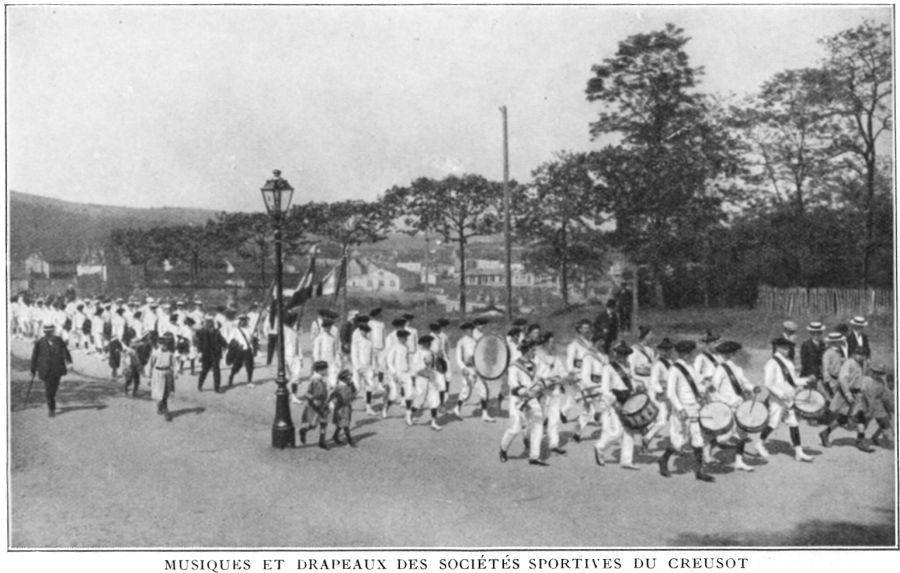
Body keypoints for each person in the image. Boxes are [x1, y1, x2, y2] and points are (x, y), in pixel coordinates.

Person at [658, 340, 715, 482]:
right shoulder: (674, 369)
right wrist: (680, 409)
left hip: (694, 407)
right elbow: (671, 393)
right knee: (679, 442)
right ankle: (663, 460)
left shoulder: (690, 367)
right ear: (685, 354)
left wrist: (705, 387)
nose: (694, 355)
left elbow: (696, 384)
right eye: (692, 353)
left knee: (698, 440)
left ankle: (699, 472)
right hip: (682, 410)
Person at [709, 340, 763, 472]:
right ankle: (707, 448)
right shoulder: (720, 370)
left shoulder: (737, 369)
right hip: (726, 407)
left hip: (738, 404)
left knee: (741, 434)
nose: (735, 355)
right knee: (723, 437)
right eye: (734, 353)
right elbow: (712, 390)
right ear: (730, 354)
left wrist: (753, 387)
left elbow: (744, 383)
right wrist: (725, 402)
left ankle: (739, 461)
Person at [759, 337, 814, 462]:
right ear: (778, 348)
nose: (788, 350)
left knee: (794, 423)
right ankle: (759, 443)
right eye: (784, 348)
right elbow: (768, 383)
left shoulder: (789, 363)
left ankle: (799, 453)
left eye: (789, 348)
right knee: (773, 423)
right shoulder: (771, 363)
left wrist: (807, 381)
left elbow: (793, 381)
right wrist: (781, 394)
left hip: (789, 398)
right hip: (778, 399)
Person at [593, 341, 641, 469]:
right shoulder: (608, 368)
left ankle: (626, 460)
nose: (623, 357)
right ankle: (600, 447)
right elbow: (604, 389)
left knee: (629, 431)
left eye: (625, 355)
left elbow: (630, 382)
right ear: (616, 354)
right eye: (621, 354)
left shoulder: (628, 366)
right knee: (617, 432)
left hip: (627, 399)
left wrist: (637, 387)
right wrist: (614, 402)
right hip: (615, 401)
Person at [499, 340, 547, 467]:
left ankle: (534, 457)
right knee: (514, 429)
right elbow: (513, 384)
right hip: (518, 401)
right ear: (526, 351)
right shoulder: (514, 366)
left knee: (538, 424)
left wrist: (541, 384)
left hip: (531, 399)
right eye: (532, 350)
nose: (534, 352)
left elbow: (538, 379)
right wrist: (525, 392)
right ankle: (503, 449)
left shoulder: (534, 365)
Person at [818, 345, 872, 452]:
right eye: (858, 354)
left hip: (856, 394)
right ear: (853, 354)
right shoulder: (849, 363)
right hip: (846, 394)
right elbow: (842, 379)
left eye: (862, 355)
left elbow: (861, 378)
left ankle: (826, 433)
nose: (860, 356)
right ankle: (859, 441)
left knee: (851, 417)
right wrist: (848, 394)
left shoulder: (862, 364)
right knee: (852, 418)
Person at [452, 322, 496, 423]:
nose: (471, 331)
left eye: (472, 329)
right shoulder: (461, 341)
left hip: (477, 369)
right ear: (465, 330)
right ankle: (456, 409)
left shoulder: (475, 341)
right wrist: (463, 368)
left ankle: (485, 414)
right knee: (466, 392)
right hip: (467, 369)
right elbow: (458, 357)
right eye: (469, 329)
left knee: (483, 391)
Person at [30, 324, 73, 417]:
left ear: (53, 332)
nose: (48, 334)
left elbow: (65, 351)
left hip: (57, 369)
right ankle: (51, 409)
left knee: (54, 388)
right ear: (44, 332)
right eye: (46, 332)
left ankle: (51, 400)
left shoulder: (59, 340)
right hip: (45, 370)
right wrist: (32, 370)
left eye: (50, 332)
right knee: (48, 390)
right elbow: (35, 356)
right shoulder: (40, 342)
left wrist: (69, 363)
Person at [535, 331, 567, 455]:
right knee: (539, 417)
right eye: (551, 342)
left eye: (553, 342)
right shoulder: (537, 357)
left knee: (554, 418)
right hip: (542, 390)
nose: (552, 345)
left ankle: (554, 443)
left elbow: (563, 372)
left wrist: (560, 378)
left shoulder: (556, 358)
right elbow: (535, 374)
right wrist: (543, 381)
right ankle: (529, 437)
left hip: (555, 390)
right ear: (545, 342)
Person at [642, 337, 674, 451]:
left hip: (667, 392)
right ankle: (647, 437)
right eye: (664, 350)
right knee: (662, 421)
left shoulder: (670, 362)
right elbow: (654, 381)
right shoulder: (658, 364)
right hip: (657, 394)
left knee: (666, 419)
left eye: (669, 349)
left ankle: (647, 431)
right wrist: (660, 392)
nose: (667, 352)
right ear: (660, 351)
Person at [408, 334, 443, 430]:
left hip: (431, 378)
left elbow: (433, 366)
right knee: (420, 400)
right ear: (422, 344)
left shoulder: (431, 352)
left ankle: (434, 422)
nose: (429, 344)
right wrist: (426, 373)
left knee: (434, 400)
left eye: (430, 342)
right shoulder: (418, 353)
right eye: (427, 342)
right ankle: (409, 414)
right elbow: (416, 368)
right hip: (421, 379)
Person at [298, 361, 332, 450]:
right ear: (321, 370)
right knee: (312, 425)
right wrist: (314, 401)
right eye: (325, 369)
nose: (327, 371)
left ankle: (322, 441)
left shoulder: (321, 379)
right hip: (315, 407)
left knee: (324, 423)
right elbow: (308, 394)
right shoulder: (315, 381)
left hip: (323, 405)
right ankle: (303, 431)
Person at [860, 364, 893, 448]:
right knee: (865, 423)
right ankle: (861, 440)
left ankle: (886, 442)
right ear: (872, 372)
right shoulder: (867, 380)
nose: (877, 374)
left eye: (879, 373)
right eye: (876, 372)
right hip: (868, 404)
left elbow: (884, 395)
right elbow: (864, 394)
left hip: (878, 406)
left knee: (885, 424)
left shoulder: (881, 381)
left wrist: (888, 406)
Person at [150, 333, 177, 422]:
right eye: (161, 344)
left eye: (165, 344)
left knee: (166, 393)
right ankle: (166, 412)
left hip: (167, 373)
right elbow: (151, 364)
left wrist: (175, 373)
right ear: (158, 344)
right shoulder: (155, 353)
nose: (163, 346)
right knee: (160, 393)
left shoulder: (170, 354)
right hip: (158, 373)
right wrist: (150, 375)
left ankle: (161, 406)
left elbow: (174, 364)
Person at [351, 323, 378, 415]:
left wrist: (373, 368)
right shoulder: (356, 341)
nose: (365, 333)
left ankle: (368, 408)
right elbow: (354, 355)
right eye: (363, 331)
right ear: (360, 331)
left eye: (366, 331)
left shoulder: (369, 342)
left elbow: (372, 356)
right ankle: (347, 404)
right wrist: (358, 367)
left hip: (368, 367)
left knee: (369, 387)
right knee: (357, 387)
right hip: (358, 367)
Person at [384, 329, 411, 419]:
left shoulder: (406, 347)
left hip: (405, 373)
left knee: (409, 393)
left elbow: (407, 360)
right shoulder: (394, 347)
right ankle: (386, 407)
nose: (406, 339)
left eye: (406, 337)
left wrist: (409, 371)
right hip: (396, 373)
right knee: (394, 396)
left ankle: (408, 415)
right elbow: (389, 361)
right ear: (399, 338)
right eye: (404, 337)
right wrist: (394, 373)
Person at [197, 317, 227, 393]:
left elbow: (222, 340)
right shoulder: (202, 332)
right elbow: (199, 343)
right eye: (209, 325)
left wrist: (226, 346)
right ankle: (200, 385)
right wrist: (200, 352)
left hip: (215, 354)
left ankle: (217, 388)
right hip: (206, 354)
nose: (211, 327)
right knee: (205, 370)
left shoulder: (217, 332)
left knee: (216, 370)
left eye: (212, 325)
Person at [329, 369, 358, 446]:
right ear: (344, 379)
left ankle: (335, 436)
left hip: (347, 408)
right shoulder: (339, 387)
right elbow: (332, 396)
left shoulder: (348, 385)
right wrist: (330, 403)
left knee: (341, 424)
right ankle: (350, 440)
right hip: (340, 409)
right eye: (349, 378)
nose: (350, 379)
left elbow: (354, 392)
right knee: (345, 425)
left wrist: (352, 384)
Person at [800, 321, 827, 403]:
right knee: (809, 396)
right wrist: (811, 374)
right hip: (808, 374)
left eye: (819, 333)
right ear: (811, 333)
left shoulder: (823, 345)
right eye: (814, 333)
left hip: (820, 375)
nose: (816, 335)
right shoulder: (805, 345)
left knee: (821, 396)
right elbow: (804, 362)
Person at [227, 314, 257, 388]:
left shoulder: (250, 329)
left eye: (244, 320)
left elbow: (253, 339)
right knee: (236, 366)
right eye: (241, 320)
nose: (243, 321)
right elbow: (229, 340)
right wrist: (235, 345)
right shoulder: (235, 330)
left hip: (248, 349)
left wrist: (254, 337)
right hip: (239, 350)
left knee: (250, 366)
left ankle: (249, 381)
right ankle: (231, 378)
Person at [312, 318, 340, 389]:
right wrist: (317, 362)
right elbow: (316, 351)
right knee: (323, 379)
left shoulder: (332, 338)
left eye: (330, 327)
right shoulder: (319, 338)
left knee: (333, 378)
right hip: (322, 361)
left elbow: (335, 350)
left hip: (331, 361)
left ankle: (331, 390)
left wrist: (337, 360)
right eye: (327, 327)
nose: (328, 328)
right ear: (324, 327)